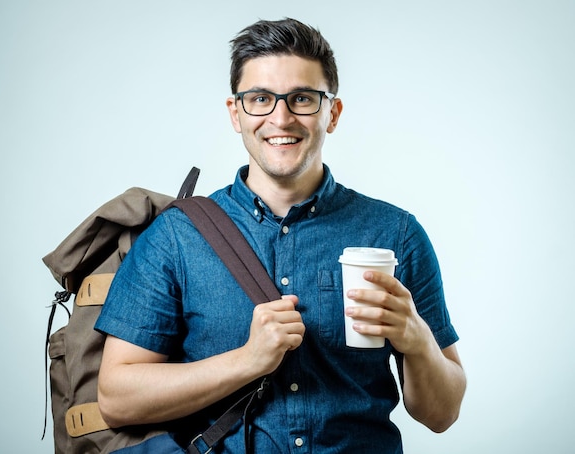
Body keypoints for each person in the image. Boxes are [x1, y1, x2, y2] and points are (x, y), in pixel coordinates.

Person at [95, 17, 466, 453]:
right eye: (260, 99)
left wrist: (418, 339)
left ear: (333, 113)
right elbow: (116, 398)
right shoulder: (178, 235)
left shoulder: (396, 233)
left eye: (302, 98)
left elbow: (441, 414)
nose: (281, 117)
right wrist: (247, 361)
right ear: (236, 113)